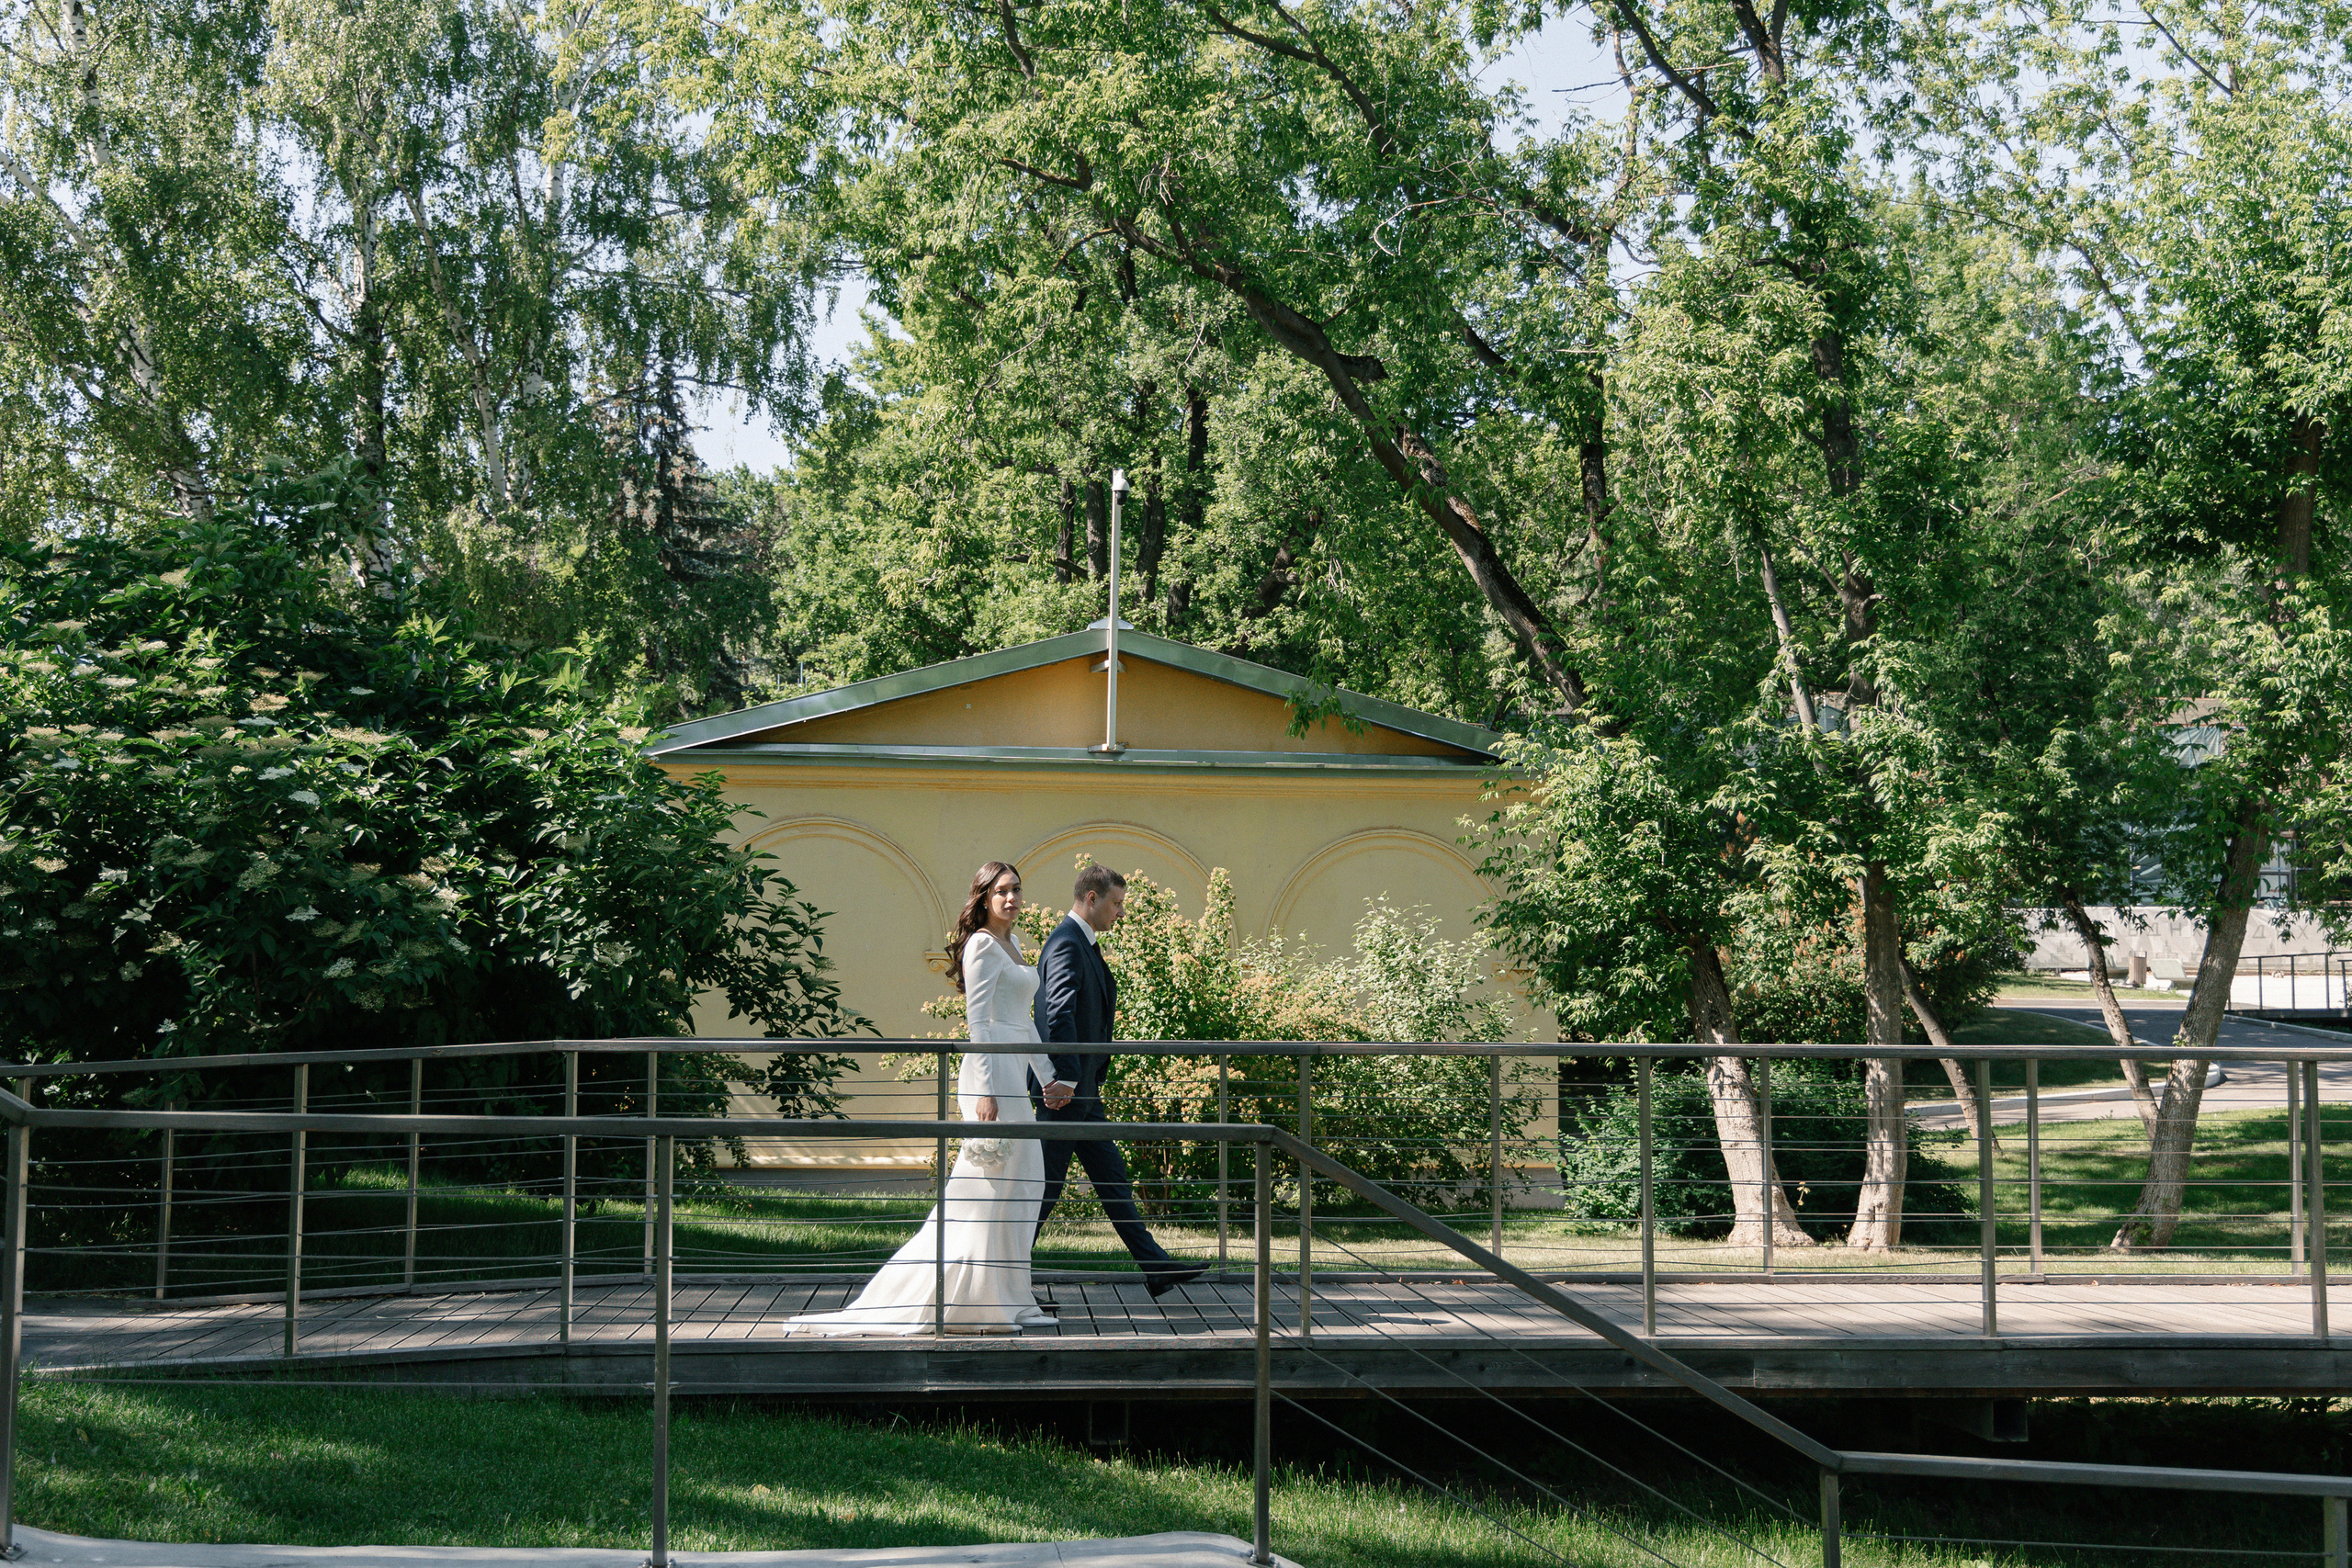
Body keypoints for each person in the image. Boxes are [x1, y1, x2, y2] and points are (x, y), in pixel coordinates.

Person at [787, 862, 1075, 1335]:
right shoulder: (982, 945)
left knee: (1022, 1184)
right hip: (989, 1076)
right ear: (983, 898)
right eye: (1000, 891)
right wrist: (984, 1088)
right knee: (983, 1191)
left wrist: (1047, 1077)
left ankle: (1009, 1297)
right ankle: (970, 1302)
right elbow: (978, 1021)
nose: (1011, 899)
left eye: (1016, 890)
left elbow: (1023, 1022)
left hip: (1014, 1074)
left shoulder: (1015, 945)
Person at [1034, 863, 1208, 1298]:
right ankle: (1002, 1275)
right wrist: (1069, 1079)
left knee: (1112, 1179)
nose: (1121, 913)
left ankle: (1156, 1267)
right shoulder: (1067, 944)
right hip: (1065, 1094)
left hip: (1083, 1093)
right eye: (1117, 903)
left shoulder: (1081, 943)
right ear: (1091, 899)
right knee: (1044, 1192)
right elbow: (1057, 1014)